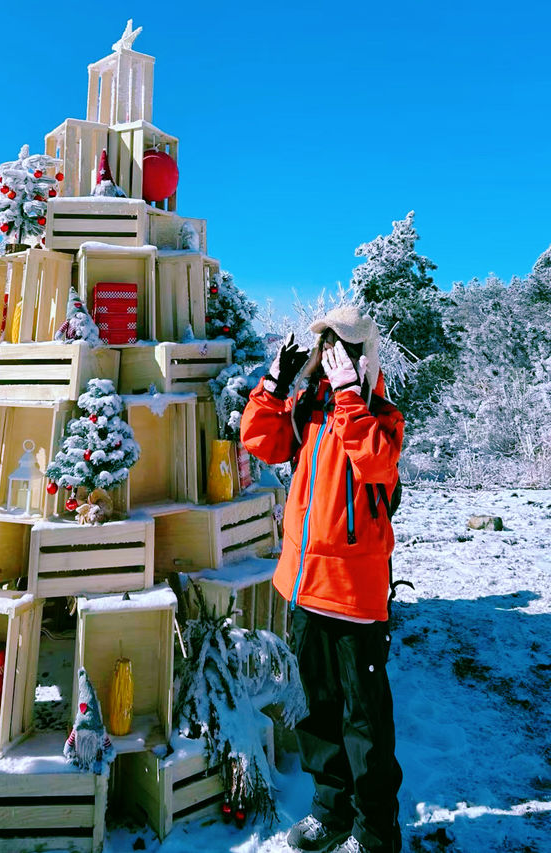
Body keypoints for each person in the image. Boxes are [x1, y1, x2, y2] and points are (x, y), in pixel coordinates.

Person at [240, 305, 404, 853]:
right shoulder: (309, 407)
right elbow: (260, 444)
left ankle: (375, 831)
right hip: (304, 587)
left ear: (363, 356)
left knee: (365, 725)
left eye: (341, 347)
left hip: (356, 597)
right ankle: (330, 812)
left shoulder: (378, 414)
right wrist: (274, 383)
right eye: (325, 345)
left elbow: (378, 465)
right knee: (317, 713)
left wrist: (353, 396)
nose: (329, 355)